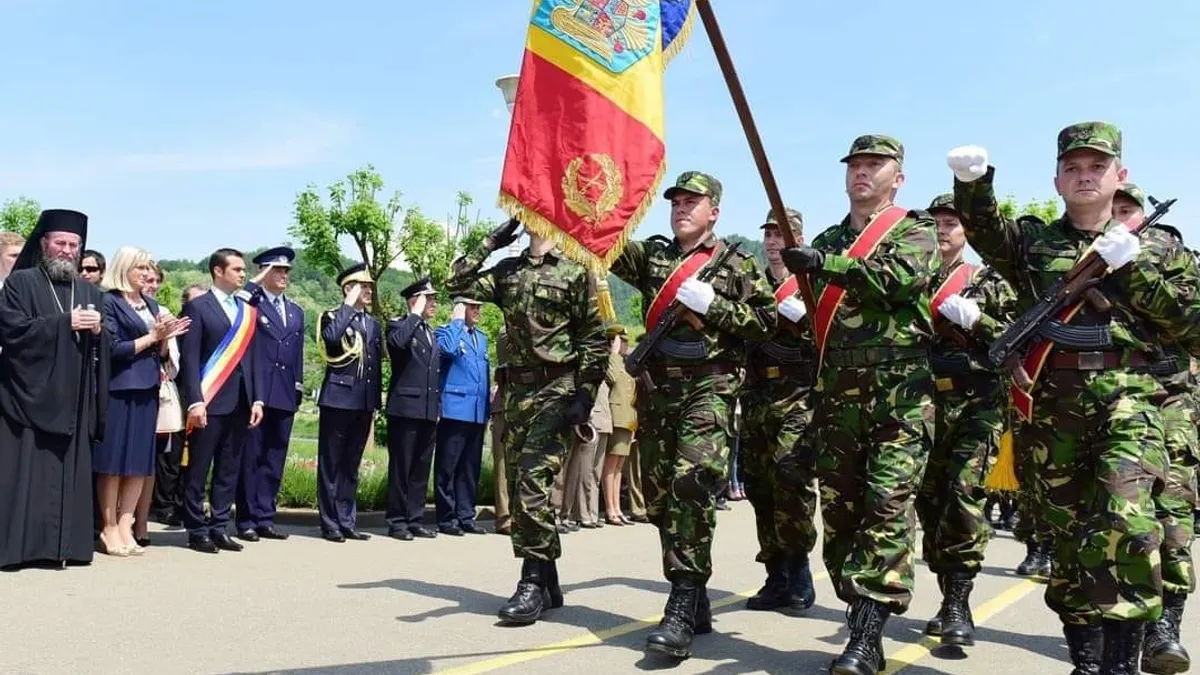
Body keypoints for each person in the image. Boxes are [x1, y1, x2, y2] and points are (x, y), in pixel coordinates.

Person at [947, 122, 1200, 673]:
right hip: (1052, 403)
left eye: (1097, 167)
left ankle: (1121, 662)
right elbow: (987, 232)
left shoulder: (1160, 248)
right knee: (1067, 536)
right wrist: (972, 184)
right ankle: (1086, 659)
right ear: (1057, 180)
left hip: (1130, 398)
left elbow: (1193, 325)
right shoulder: (1036, 243)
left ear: (1121, 176)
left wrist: (1134, 271)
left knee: (1127, 522)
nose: (1085, 176)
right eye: (1073, 168)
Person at [782, 135, 939, 674]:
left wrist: (826, 264)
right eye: (855, 165)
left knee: (887, 506)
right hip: (837, 395)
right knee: (842, 513)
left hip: (900, 395)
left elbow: (896, 282)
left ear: (898, 176)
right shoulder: (827, 238)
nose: (862, 173)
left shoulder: (915, 230)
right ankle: (857, 615)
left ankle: (868, 637)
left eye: (876, 165)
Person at [609, 171, 776, 659]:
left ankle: (681, 600)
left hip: (711, 385)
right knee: (661, 501)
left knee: (691, 483)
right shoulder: (655, 256)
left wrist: (717, 307)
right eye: (676, 201)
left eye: (692, 201)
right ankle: (697, 595)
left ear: (714, 211)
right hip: (660, 390)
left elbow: (766, 323)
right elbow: (606, 241)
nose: (682, 208)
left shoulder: (738, 261)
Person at [448, 218, 607, 625]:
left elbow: (594, 338)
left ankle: (531, 581)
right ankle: (550, 578)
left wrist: (585, 394)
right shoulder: (508, 272)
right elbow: (456, 284)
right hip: (518, 394)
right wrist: (489, 242)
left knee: (534, 484)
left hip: (558, 389)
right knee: (521, 487)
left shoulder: (574, 271)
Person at [914, 194, 1018, 648]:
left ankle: (958, 600)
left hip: (976, 404)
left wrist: (979, 322)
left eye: (951, 222)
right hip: (920, 406)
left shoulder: (989, 281)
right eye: (934, 221)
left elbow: (1019, 341)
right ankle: (944, 589)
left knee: (962, 496)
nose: (942, 229)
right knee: (929, 503)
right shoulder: (908, 282)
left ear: (967, 230)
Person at [1112, 182, 1195, 675]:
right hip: (1107, 398)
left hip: (1168, 398)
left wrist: (1135, 268)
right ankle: (1121, 626)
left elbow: (1190, 321)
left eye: (1129, 210)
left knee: (1171, 510)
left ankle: (1166, 627)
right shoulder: (1082, 255)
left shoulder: (1170, 252)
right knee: (1119, 517)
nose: (1120, 218)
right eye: (1113, 210)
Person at [0, 209, 109, 569]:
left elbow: (103, 344)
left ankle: (66, 546)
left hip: (73, 396)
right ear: (44, 244)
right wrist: (66, 323)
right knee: (24, 473)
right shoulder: (22, 283)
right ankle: (20, 550)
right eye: (59, 243)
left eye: (73, 245)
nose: (66, 250)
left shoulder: (90, 289)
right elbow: (12, 331)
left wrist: (97, 333)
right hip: (27, 396)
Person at [741, 207, 818, 617]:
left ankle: (799, 567)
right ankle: (775, 573)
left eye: (781, 234)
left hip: (798, 393)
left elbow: (832, 336)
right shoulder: (753, 283)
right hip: (756, 394)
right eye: (768, 234)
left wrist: (807, 321)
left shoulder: (810, 282)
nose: (773, 242)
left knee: (792, 479)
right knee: (759, 486)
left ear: (797, 239)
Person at [94, 247, 189, 557]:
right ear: (124, 269)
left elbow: (162, 356)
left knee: (138, 463)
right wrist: (152, 336)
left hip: (148, 387)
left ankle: (127, 525)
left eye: (149, 269)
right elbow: (112, 349)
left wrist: (165, 339)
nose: (148, 275)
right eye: (141, 269)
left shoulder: (150, 304)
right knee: (114, 462)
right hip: (120, 388)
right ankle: (108, 527)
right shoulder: (109, 301)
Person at [178, 248, 265, 554]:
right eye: (237, 269)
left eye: (243, 270)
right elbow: (189, 359)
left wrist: (258, 399)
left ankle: (219, 526)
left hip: (241, 402)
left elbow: (253, 359)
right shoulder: (198, 307)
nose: (243, 274)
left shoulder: (247, 311)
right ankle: (196, 528)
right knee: (199, 467)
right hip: (210, 399)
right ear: (218, 271)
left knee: (229, 467)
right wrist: (194, 401)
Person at [236, 247, 305, 541]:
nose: (283, 275)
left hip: (286, 392)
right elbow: (238, 305)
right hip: (258, 390)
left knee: (274, 457)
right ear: (263, 272)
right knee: (251, 456)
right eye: (277, 270)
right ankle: (247, 519)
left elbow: (298, 354)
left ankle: (265, 516)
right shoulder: (252, 303)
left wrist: (299, 386)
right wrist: (255, 282)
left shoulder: (295, 311)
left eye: (286, 271)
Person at [315, 263, 382, 542]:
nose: (368, 291)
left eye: (369, 287)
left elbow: (375, 365)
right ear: (348, 288)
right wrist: (347, 306)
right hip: (338, 399)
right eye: (362, 286)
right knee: (331, 463)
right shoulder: (332, 316)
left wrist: (375, 401)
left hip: (363, 402)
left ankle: (347, 520)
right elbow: (331, 341)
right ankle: (330, 522)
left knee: (351, 464)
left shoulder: (373, 323)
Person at [384, 277, 442, 540]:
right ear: (414, 301)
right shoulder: (399, 324)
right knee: (402, 466)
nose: (433, 304)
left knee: (421, 467)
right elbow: (397, 345)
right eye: (428, 298)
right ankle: (397, 521)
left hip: (428, 409)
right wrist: (414, 315)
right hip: (405, 408)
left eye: (433, 299)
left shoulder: (431, 332)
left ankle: (414, 518)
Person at [434, 296, 491, 536]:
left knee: (470, 468)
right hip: (454, 409)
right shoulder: (445, 331)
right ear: (460, 308)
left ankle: (466, 515)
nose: (477, 310)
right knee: (448, 466)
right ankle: (447, 518)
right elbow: (446, 350)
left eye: (478, 306)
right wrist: (456, 321)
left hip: (476, 411)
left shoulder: (482, 338)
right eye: (471, 306)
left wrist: (486, 411)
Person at [601, 325, 636, 524]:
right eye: (622, 341)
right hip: (616, 418)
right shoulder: (611, 360)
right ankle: (610, 509)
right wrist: (613, 353)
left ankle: (617, 509)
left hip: (627, 418)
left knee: (619, 467)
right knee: (611, 465)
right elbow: (611, 378)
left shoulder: (623, 362)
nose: (626, 345)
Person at [491, 328, 512, 535]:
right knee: (503, 464)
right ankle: (505, 517)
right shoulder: (508, 331)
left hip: (527, 404)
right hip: (506, 405)